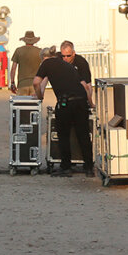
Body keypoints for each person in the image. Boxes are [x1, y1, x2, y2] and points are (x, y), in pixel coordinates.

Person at [34, 41, 94, 176]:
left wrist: (39, 97)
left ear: (43, 59)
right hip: (81, 101)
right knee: (83, 135)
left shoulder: (46, 64)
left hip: (66, 102)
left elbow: (36, 82)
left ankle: (66, 167)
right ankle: (89, 168)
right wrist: (91, 104)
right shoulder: (67, 65)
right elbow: (85, 85)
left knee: (63, 134)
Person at [9, 30, 43, 95]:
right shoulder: (39, 51)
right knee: (35, 104)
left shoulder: (18, 51)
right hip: (35, 83)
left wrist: (12, 83)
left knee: (22, 104)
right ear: (34, 41)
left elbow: (13, 68)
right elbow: (44, 66)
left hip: (22, 84)